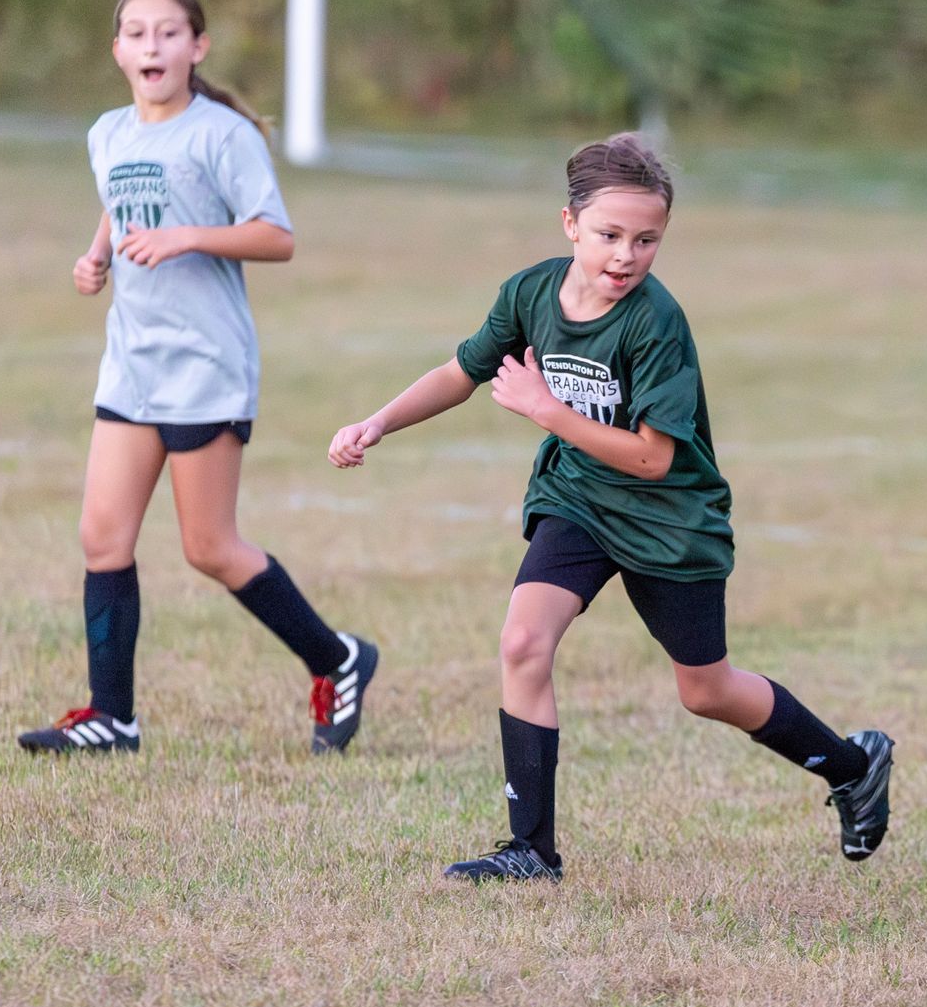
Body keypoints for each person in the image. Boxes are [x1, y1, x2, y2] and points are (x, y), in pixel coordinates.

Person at [328, 134, 894, 883]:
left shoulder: (656, 323)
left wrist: (545, 409)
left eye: (646, 240)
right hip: (580, 501)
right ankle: (531, 849)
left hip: (669, 521)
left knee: (707, 690)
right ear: (570, 225)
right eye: (609, 236)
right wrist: (377, 422)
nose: (626, 256)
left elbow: (655, 457)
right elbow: (461, 371)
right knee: (523, 642)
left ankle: (853, 766)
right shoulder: (530, 293)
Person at [18, 0, 375, 757]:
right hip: (133, 365)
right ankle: (113, 718)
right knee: (101, 537)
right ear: (117, 51)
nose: (153, 46)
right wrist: (96, 255)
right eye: (137, 34)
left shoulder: (222, 135)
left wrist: (185, 237)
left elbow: (275, 236)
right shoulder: (107, 132)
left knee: (209, 546)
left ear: (197, 47)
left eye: (169, 33)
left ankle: (337, 658)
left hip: (205, 365)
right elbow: (120, 199)